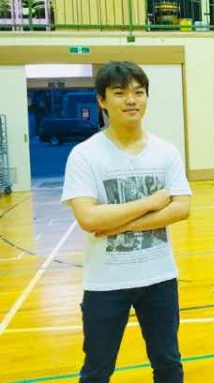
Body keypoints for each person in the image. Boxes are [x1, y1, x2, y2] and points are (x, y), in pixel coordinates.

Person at [61, 61, 191, 383]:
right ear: (102, 100)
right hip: (105, 283)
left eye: (139, 92)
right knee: (97, 371)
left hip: (160, 278)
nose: (131, 100)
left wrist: (118, 224)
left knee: (168, 364)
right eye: (119, 93)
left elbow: (181, 208)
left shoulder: (166, 152)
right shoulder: (84, 155)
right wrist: (151, 202)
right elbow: (89, 217)